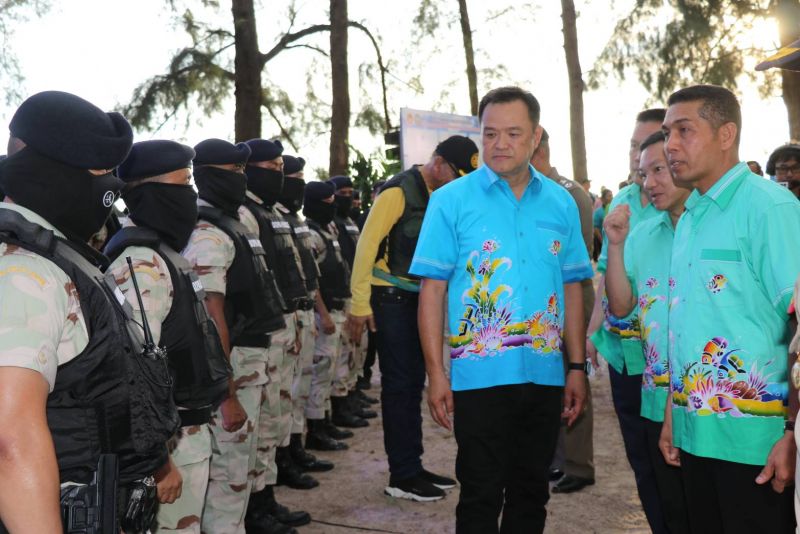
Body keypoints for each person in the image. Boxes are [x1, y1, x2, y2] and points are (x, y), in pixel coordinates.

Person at [411, 86, 593, 533]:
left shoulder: (561, 202)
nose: (500, 144)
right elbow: (432, 292)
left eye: (513, 133)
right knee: (479, 492)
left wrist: (575, 367)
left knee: (532, 492)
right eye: (490, 134)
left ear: (535, 137)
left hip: (546, 376)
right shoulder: (450, 202)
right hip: (479, 378)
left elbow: (572, 288)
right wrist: (437, 374)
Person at [0, 91, 178, 532]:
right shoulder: (24, 271)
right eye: (98, 172)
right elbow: (8, 440)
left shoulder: (62, 255)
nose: (111, 187)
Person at [660, 84, 800, 532]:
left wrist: (793, 433)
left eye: (685, 130)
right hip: (697, 434)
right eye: (667, 133)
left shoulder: (770, 208)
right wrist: (672, 418)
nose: (671, 145)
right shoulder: (693, 214)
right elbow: (688, 327)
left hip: (757, 443)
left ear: (726, 134)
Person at [105, 140, 233, 534]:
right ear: (153, 191)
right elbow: (134, 374)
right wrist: (160, 463)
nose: (192, 194)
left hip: (186, 429)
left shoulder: (162, 253)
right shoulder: (139, 262)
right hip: (170, 445)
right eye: (185, 183)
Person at [346, 135, 478, 501]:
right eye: (456, 173)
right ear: (438, 162)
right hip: (390, 299)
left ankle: (413, 467)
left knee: (413, 385)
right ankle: (402, 476)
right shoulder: (397, 192)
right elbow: (366, 247)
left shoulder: (441, 196)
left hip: (417, 301)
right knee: (400, 387)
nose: (458, 181)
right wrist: (359, 304)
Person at [183, 139, 302, 534]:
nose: (241, 179)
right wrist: (227, 390)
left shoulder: (237, 221)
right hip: (233, 364)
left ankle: (257, 511)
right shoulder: (207, 230)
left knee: (245, 457)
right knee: (228, 472)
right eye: (234, 172)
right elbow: (211, 314)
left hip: (252, 355)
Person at [603, 130, 691, 534]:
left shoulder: (706, 229)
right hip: (656, 396)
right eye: (642, 174)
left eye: (659, 170)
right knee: (668, 500)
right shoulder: (643, 235)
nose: (650, 182)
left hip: (707, 397)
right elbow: (621, 305)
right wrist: (616, 246)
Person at [586, 108, 667, 533]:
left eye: (650, 144)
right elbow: (605, 269)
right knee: (641, 459)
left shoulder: (677, 201)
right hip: (625, 356)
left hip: (665, 361)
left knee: (669, 459)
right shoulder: (622, 201)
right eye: (635, 146)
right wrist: (592, 332)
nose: (640, 155)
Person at [240, 138, 319, 494]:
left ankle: (279, 467)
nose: (280, 176)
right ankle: (261, 494)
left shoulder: (272, 213)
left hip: (287, 320)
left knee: (282, 402)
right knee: (266, 413)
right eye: (272, 169)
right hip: (264, 330)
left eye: (281, 169)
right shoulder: (245, 214)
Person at [531, 128, 596, 493]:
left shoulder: (570, 194)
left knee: (574, 378)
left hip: (569, 296)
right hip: (543, 302)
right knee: (550, 383)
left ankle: (578, 464)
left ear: (537, 149)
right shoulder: (536, 191)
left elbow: (574, 259)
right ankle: (556, 459)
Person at [275, 154, 337, 470]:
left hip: (302, 314)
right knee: (285, 393)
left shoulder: (295, 220)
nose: (297, 183)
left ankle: (296, 446)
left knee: (301, 384)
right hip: (284, 320)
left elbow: (308, 274)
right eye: (293, 177)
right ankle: (284, 456)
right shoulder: (267, 217)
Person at [303, 181, 359, 453]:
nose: (333, 206)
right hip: (324, 314)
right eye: (327, 202)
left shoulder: (330, 228)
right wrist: (323, 313)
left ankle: (325, 421)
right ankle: (315, 428)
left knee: (332, 369)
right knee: (320, 372)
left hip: (339, 308)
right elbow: (312, 281)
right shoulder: (311, 234)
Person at [328, 174, 377, 428]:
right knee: (342, 357)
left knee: (357, 352)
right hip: (339, 298)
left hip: (353, 294)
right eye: (343, 193)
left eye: (351, 192)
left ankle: (352, 396)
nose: (349, 198)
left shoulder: (349, 221)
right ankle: (339, 408)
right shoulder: (333, 223)